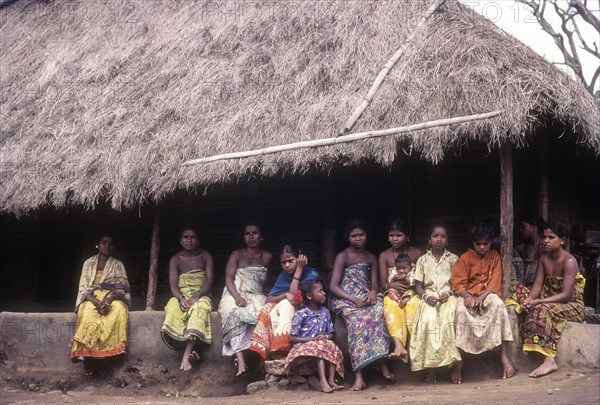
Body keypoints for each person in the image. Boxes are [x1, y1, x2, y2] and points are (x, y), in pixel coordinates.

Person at [330, 218, 392, 391]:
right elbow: (334, 286)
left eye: (361, 235)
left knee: (379, 312)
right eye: (354, 235)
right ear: (348, 238)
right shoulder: (343, 256)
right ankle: (359, 376)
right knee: (357, 322)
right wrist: (353, 299)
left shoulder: (371, 257)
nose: (358, 238)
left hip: (365, 297)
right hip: (347, 299)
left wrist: (372, 293)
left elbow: (374, 285)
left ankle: (381, 363)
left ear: (366, 236)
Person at [451, 223, 515, 383]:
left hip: (488, 294)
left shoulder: (495, 256)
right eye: (478, 244)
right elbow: (457, 282)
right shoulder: (464, 258)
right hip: (468, 294)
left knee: (499, 305)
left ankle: (504, 357)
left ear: (491, 242)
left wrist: (481, 298)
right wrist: (466, 296)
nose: (482, 247)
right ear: (472, 243)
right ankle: (459, 361)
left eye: (485, 244)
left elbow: (495, 281)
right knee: (459, 311)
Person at [521, 218, 585, 378]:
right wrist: (529, 299)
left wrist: (539, 301)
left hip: (571, 304)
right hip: (550, 299)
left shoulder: (569, 261)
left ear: (562, 240)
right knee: (526, 304)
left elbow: (565, 296)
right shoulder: (543, 258)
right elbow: (537, 284)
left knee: (542, 310)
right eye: (544, 237)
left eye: (551, 237)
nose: (546, 241)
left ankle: (550, 360)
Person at [249, 245, 322, 363]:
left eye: (290, 261)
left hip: (308, 313)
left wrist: (298, 270)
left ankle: (282, 348)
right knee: (269, 307)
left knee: (287, 304)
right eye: (283, 262)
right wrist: (284, 295)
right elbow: (269, 299)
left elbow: (294, 298)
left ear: (299, 259)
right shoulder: (284, 276)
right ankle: (273, 349)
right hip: (290, 312)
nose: (287, 265)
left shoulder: (311, 274)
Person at [70, 235, 130, 375]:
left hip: (112, 297)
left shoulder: (118, 265)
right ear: (97, 244)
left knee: (119, 310)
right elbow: (83, 287)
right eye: (104, 243)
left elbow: (123, 288)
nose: (108, 246)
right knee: (86, 314)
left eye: (111, 243)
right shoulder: (88, 263)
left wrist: (109, 300)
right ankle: (88, 361)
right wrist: (96, 302)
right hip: (91, 298)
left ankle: (109, 359)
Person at [409, 224, 461, 383]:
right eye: (435, 236)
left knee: (449, 319)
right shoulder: (422, 260)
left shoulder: (453, 259)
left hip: (449, 295)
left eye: (443, 236)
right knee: (429, 320)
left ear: (448, 240)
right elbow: (417, 284)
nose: (439, 239)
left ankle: (456, 363)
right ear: (429, 239)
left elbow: (457, 282)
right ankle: (431, 368)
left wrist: (449, 293)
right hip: (429, 296)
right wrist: (424, 296)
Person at [218, 224, 273, 376]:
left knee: (262, 312)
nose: (251, 236)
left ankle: (261, 357)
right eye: (247, 233)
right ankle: (240, 360)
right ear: (243, 237)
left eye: (254, 233)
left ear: (261, 236)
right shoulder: (236, 255)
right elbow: (228, 278)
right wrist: (236, 296)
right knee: (231, 310)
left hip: (256, 294)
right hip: (235, 291)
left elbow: (265, 281)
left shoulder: (267, 257)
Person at [160, 228, 214, 371]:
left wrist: (197, 296)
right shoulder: (175, 259)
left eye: (192, 237)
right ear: (180, 241)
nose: (189, 240)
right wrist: (180, 298)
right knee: (171, 309)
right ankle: (193, 351)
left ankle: (186, 356)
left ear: (198, 241)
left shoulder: (205, 256)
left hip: (202, 294)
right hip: (181, 295)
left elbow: (209, 281)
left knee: (198, 309)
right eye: (185, 237)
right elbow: (173, 285)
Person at [285, 281, 345, 393]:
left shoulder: (325, 312)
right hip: (303, 347)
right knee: (319, 348)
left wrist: (326, 336)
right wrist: (311, 340)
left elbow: (331, 333)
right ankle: (323, 381)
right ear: (309, 296)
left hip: (321, 344)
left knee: (331, 345)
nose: (324, 293)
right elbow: (292, 338)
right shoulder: (301, 314)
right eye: (320, 291)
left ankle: (331, 380)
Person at [378, 218, 422, 362]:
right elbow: (383, 282)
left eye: (399, 235)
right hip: (393, 293)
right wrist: (391, 286)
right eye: (391, 235)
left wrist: (411, 286)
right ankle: (398, 346)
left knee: (412, 306)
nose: (395, 239)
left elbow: (421, 278)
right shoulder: (384, 255)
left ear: (407, 236)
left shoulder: (417, 253)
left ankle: (410, 347)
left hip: (413, 292)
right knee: (390, 306)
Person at [516, 213, 545, 285]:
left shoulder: (546, 247)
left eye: (523, 226)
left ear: (534, 226)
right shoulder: (522, 247)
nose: (520, 229)